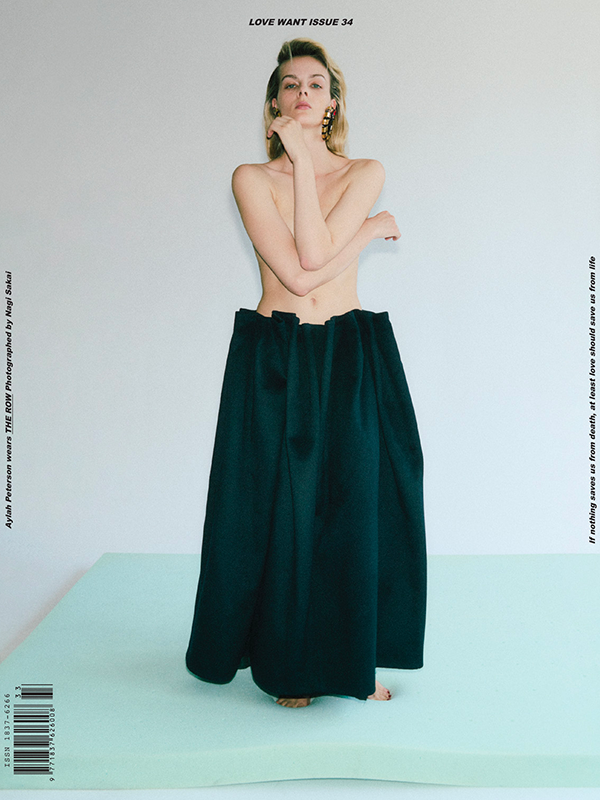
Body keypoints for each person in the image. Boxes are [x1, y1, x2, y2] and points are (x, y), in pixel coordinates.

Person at [185, 38, 426, 708]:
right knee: (280, 511)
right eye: (290, 85)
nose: (303, 93)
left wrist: (315, 168)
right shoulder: (251, 178)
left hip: (348, 348)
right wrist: (369, 229)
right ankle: (287, 667)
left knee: (357, 504)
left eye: (316, 84)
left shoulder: (365, 171)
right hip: (276, 352)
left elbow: (314, 255)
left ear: (332, 103)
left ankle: (351, 663)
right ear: (274, 103)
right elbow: (298, 273)